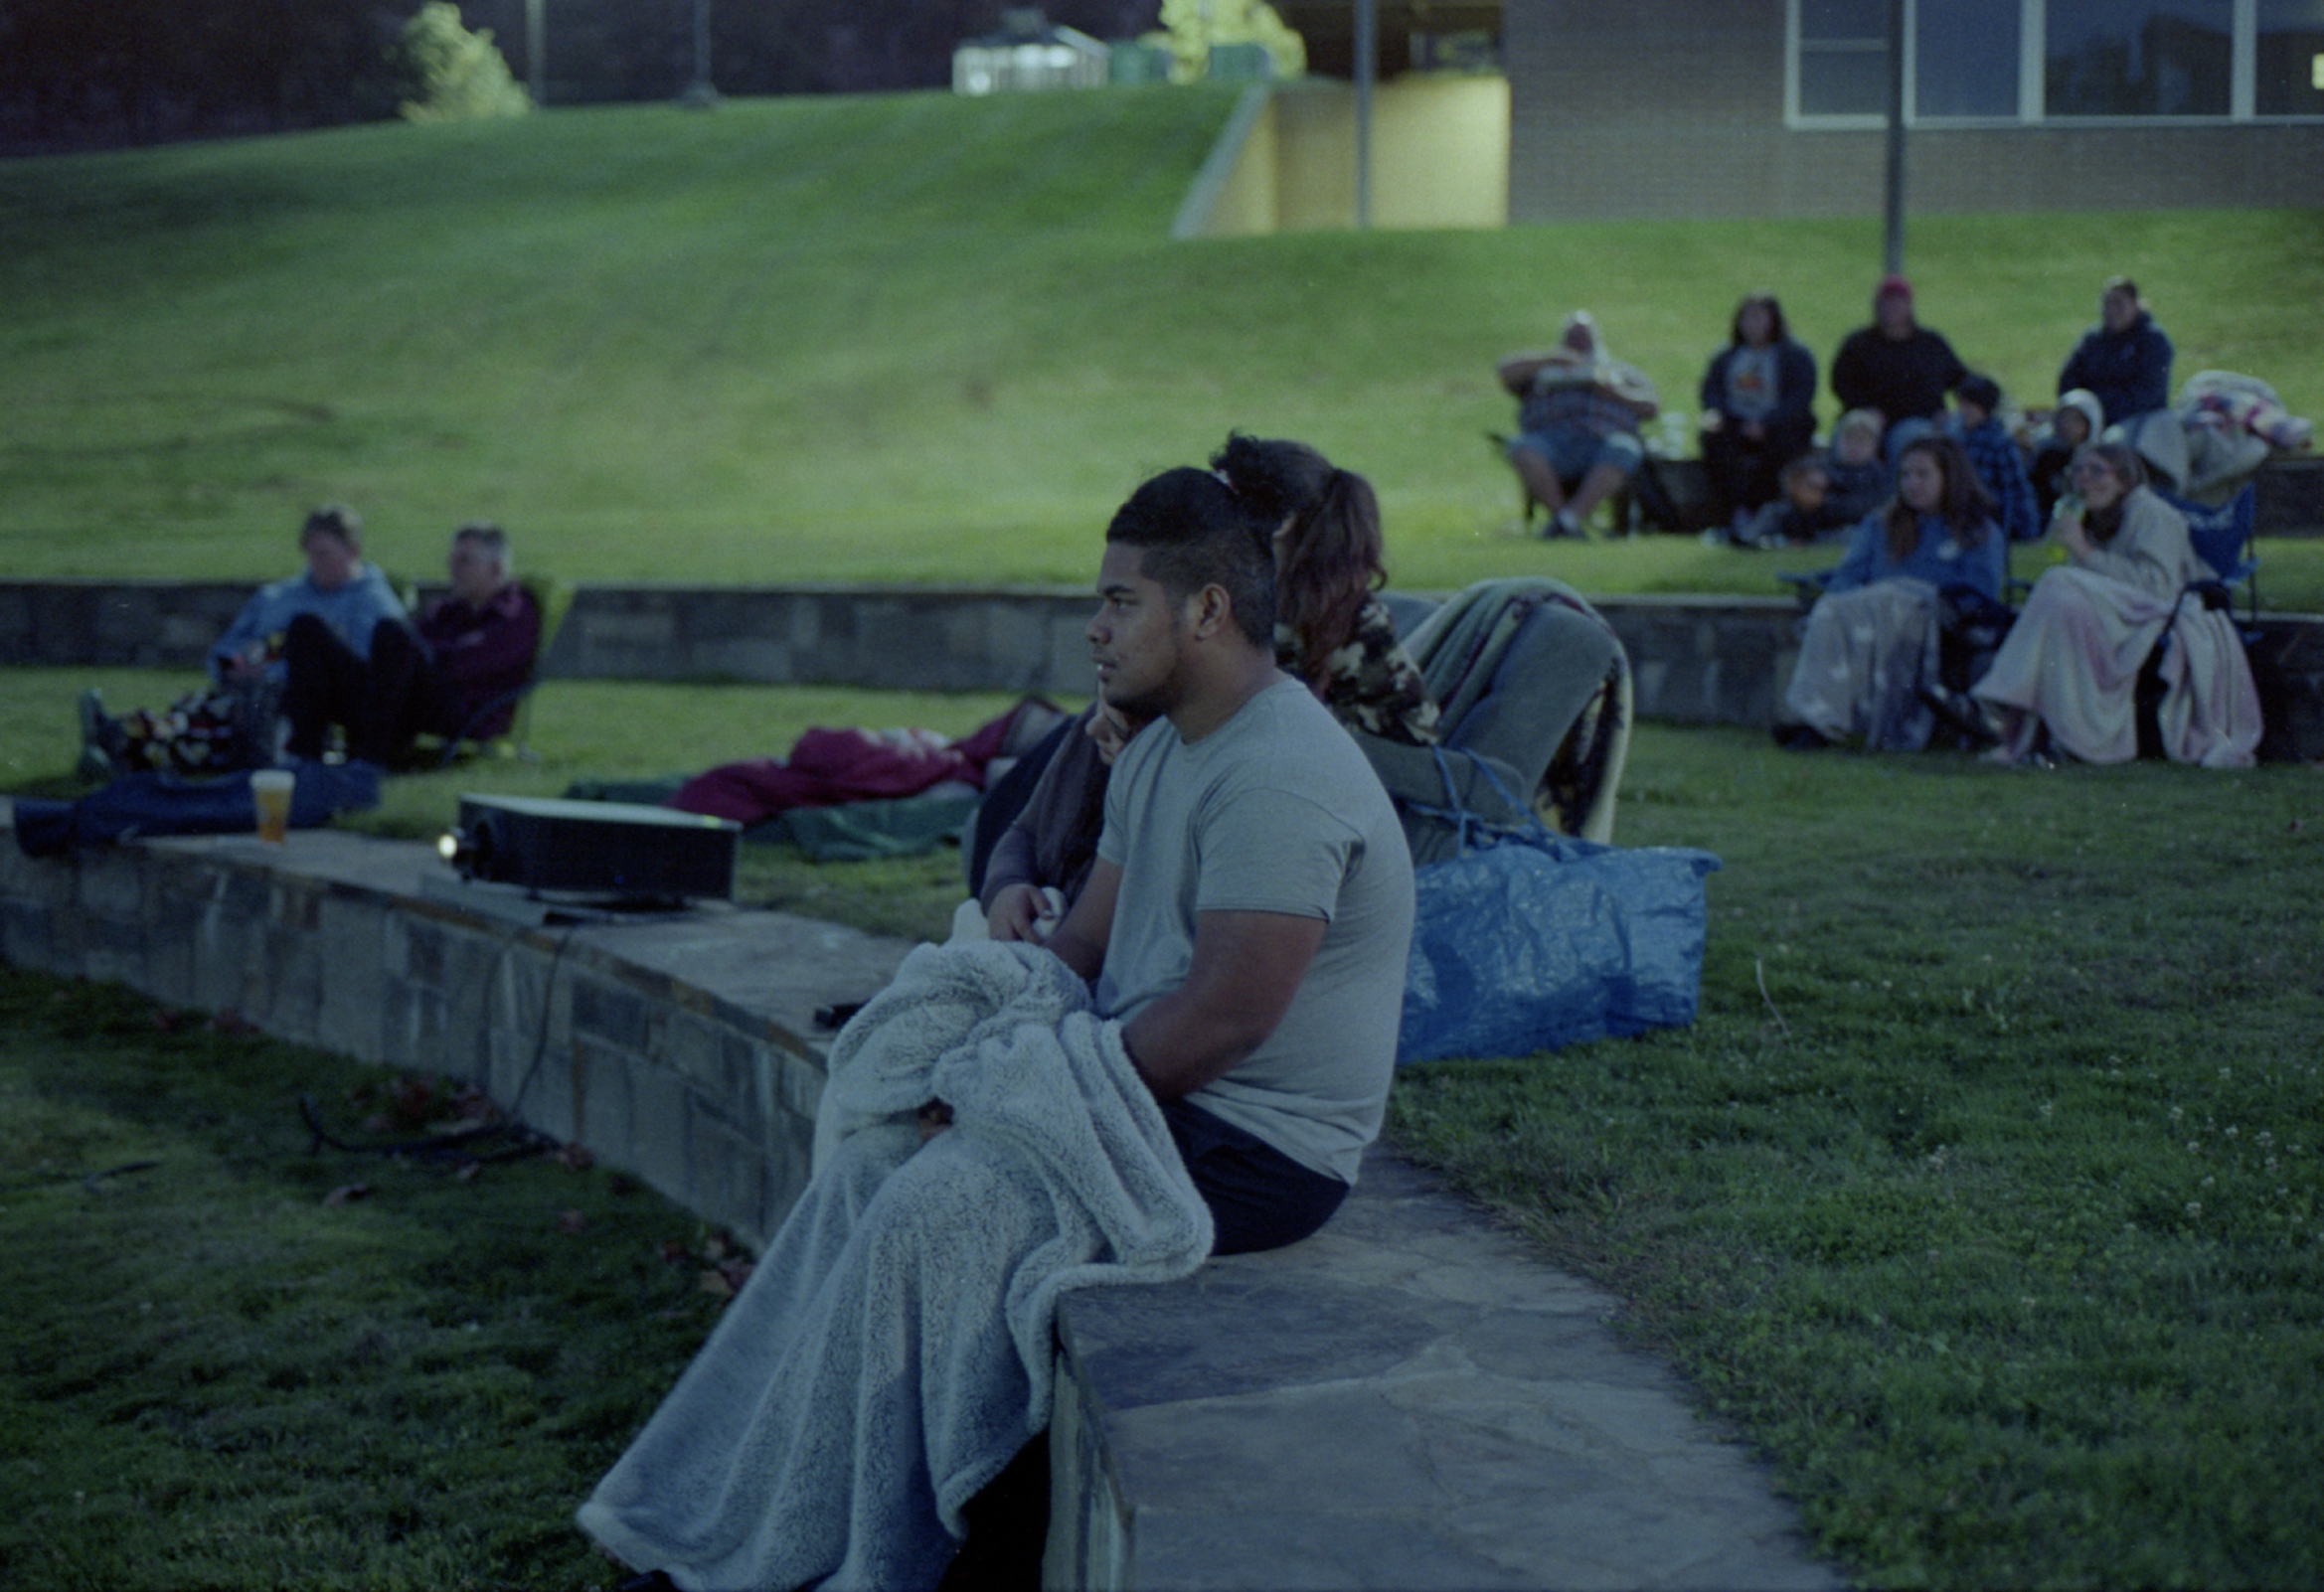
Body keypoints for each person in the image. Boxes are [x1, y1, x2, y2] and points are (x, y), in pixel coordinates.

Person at [579, 461, 1416, 1592]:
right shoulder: (1166, 746)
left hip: (1259, 1145)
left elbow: (1222, 1022)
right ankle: (769, 1520)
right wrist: (971, 1025)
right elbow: (1084, 954)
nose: (1095, 630)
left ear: (1207, 610)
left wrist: (994, 1093)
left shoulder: (1283, 773)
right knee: (872, 1157)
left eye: (1121, 602)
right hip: (1148, 1093)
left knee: (944, 1203)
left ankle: (875, 1557)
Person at [974, 434, 1435, 941]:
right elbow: (1030, 832)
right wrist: (1005, 889)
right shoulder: (1212, 643)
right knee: (1081, 736)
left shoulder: (1301, 635)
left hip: (1357, 791)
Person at [1965, 442, 2262, 768]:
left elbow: (2159, 586)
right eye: (2076, 471)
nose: (2083, 481)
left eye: (2096, 471)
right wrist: (2079, 549)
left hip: (2162, 613)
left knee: (2057, 583)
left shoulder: (2151, 512)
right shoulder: (2095, 519)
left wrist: (2084, 552)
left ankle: (1998, 705)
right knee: (2063, 600)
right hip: (2116, 614)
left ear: (2124, 479)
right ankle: (2059, 736)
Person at [78, 505, 405, 779]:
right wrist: (232, 668)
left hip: (292, 706)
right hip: (241, 690)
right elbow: (225, 648)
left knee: (208, 731)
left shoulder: (371, 604)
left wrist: (274, 673)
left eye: (324, 554)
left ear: (353, 551)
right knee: (196, 710)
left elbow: (365, 674)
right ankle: (119, 738)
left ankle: (119, 742)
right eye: (310, 554)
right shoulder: (280, 596)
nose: (315, 564)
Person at [1779, 433, 2004, 751]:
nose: (1912, 483)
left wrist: (1906, 595)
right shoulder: (1881, 524)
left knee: (1885, 600)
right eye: (1905, 475)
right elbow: (1847, 578)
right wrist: (1864, 602)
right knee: (1833, 606)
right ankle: (1815, 720)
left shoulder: (1977, 530)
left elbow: (1981, 596)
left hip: (1937, 619)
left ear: (1949, 477)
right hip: (1871, 613)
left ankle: (1818, 722)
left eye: (1923, 474)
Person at [279, 522, 541, 765]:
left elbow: (463, 666)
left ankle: (370, 761)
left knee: (391, 632)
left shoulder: (514, 613)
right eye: (452, 560)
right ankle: (304, 757)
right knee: (306, 628)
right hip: (406, 698)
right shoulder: (448, 610)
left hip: (460, 711)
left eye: (465, 561)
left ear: (495, 568)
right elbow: (416, 648)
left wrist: (414, 655)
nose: (453, 568)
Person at [1494, 310, 1660, 540]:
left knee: (1624, 448)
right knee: (1522, 447)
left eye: (1584, 337)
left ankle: (1567, 521)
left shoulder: (1619, 372)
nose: (1578, 343)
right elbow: (1503, 371)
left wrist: (1614, 392)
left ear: (1596, 340)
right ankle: (1562, 518)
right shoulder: (1543, 372)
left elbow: (1651, 407)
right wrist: (1551, 359)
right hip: (1550, 444)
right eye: (1572, 337)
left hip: (1601, 444)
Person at [1696, 292, 1819, 534]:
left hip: (1780, 425)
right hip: (1734, 423)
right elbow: (1710, 392)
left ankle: (1764, 511)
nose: (1752, 325)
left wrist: (1766, 423)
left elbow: (1800, 397)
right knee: (1715, 442)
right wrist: (1725, 416)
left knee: (1780, 448)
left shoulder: (1795, 356)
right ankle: (1734, 511)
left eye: (1758, 318)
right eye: (1747, 318)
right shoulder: (1726, 356)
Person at [1829, 274, 1968, 463]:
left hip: (1921, 420)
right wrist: (1864, 408)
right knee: (1849, 436)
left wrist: (1955, 412)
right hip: (1871, 418)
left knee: (1911, 439)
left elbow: (1961, 380)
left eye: (1898, 302)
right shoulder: (1859, 344)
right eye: (1886, 302)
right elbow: (1840, 383)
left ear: (1909, 306)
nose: (1892, 308)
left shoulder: (1931, 343)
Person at [1735, 407, 1889, 548]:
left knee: (1853, 532)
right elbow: (1793, 474)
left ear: (1874, 447)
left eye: (1861, 442)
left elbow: (1865, 506)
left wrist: (1823, 501)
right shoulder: (1826, 462)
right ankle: (1748, 536)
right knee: (1774, 511)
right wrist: (1805, 483)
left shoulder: (1874, 473)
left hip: (1840, 522)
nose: (1854, 447)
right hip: (1811, 516)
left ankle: (1792, 541)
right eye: (1849, 440)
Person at [2058, 276, 2174, 430]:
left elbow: (2147, 394)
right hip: (2087, 423)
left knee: (2112, 441)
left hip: (2139, 424)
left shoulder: (2153, 340)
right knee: (2045, 442)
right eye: (2106, 303)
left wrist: (2099, 409)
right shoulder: (2092, 339)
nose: (2111, 310)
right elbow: (2068, 381)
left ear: (2135, 304)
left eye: (2118, 303)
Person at [1946, 374, 2040, 544]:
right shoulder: (1954, 437)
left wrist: (2027, 529)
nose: (1964, 411)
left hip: (1989, 515)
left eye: (1971, 405)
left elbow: (2015, 488)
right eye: (1962, 404)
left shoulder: (2000, 442)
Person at [2025, 388, 2104, 521]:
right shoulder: (2045, 453)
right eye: (2063, 417)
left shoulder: (2099, 459)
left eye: (2076, 420)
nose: (2066, 425)